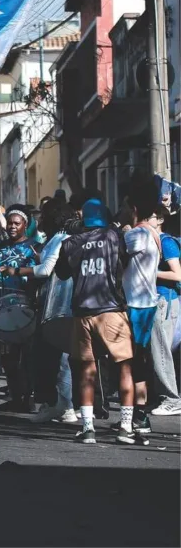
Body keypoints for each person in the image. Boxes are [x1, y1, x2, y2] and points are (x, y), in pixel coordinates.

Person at [55, 199, 139, 445]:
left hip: (82, 313)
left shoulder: (70, 243)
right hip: (111, 309)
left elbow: (61, 273)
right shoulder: (114, 236)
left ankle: (88, 428)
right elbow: (125, 260)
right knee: (124, 367)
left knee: (87, 371)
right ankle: (126, 427)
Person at [5, 199, 78, 424]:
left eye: (43, 216)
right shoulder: (66, 238)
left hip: (59, 304)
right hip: (68, 304)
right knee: (63, 358)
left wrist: (16, 270)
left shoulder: (59, 239)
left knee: (59, 360)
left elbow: (46, 270)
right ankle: (64, 405)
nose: (39, 220)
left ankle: (65, 407)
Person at [122, 182, 161, 436]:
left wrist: (123, 230)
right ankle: (141, 414)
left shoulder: (137, 234)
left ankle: (137, 415)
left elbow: (118, 250)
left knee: (130, 361)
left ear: (133, 208)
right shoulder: (153, 233)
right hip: (148, 302)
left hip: (135, 304)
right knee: (140, 358)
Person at [0, 204, 39, 412]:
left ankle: (28, 397)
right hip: (2, 308)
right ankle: (15, 396)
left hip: (27, 307)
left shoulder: (36, 247)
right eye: (9, 223)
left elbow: (40, 274)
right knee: (7, 357)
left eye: (16, 223)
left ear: (25, 226)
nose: (12, 227)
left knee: (28, 356)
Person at [151, 206, 181, 416]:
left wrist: (151, 271)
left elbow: (177, 274)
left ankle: (171, 398)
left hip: (164, 300)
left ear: (160, 219)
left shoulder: (166, 242)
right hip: (157, 299)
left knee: (161, 350)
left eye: (149, 217)